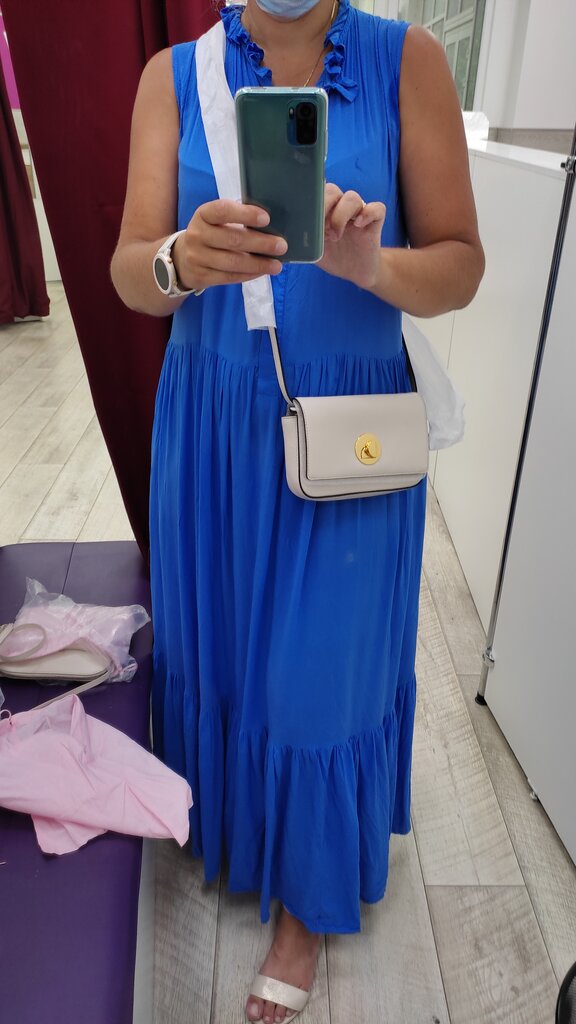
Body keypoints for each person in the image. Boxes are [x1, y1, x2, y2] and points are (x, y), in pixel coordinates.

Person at [110, 1, 485, 1021]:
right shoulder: (174, 74)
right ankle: (234, 827)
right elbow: (130, 270)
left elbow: (461, 263)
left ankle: (306, 902)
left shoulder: (407, 61)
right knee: (227, 648)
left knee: (322, 673)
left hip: (351, 427)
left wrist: (373, 265)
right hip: (215, 421)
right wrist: (179, 261)